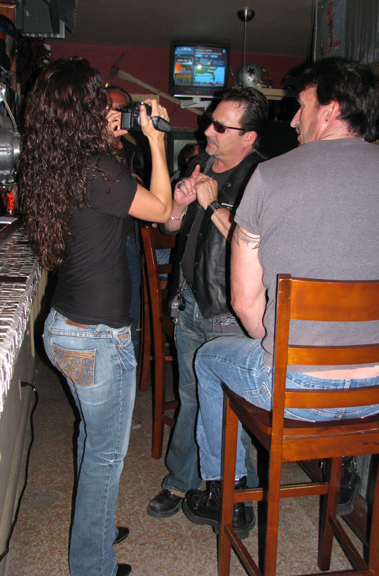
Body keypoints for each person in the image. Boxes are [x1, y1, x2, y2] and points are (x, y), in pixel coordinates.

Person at [182, 57, 379, 530]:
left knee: (209, 358)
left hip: (296, 389)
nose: (294, 120)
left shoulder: (271, 176)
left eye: (301, 106)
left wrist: (272, 343)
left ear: (330, 110)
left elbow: (245, 303)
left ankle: (227, 492)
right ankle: (341, 469)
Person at [18, 58, 172, 576]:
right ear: (82, 110)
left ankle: (96, 530)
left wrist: (111, 141)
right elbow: (161, 210)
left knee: (93, 438)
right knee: (106, 456)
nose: (107, 108)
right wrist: (156, 141)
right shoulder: (97, 168)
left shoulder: (56, 164)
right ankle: (92, 565)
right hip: (98, 338)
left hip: (66, 329)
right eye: (97, 101)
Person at [147, 87, 269, 538]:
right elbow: (170, 226)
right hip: (190, 301)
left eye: (220, 125)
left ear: (248, 136)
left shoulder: (264, 177)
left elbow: (257, 243)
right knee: (191, 395)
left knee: (235, 407)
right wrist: (179, 205)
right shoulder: (198, 163)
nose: (207, 130)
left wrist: (212, 203)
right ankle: (181, 481)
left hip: (231, 311)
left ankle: (239, 494)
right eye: (209, 119)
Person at [105, 85, 146, 431]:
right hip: (98, 242)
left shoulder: (136, 149)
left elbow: (154, 197)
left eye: (121, 109)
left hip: (128, 240)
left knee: (127, 325)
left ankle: (124, 409)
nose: (115, 114)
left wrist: (135, 182)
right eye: (108, 107)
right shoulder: (87, 148)